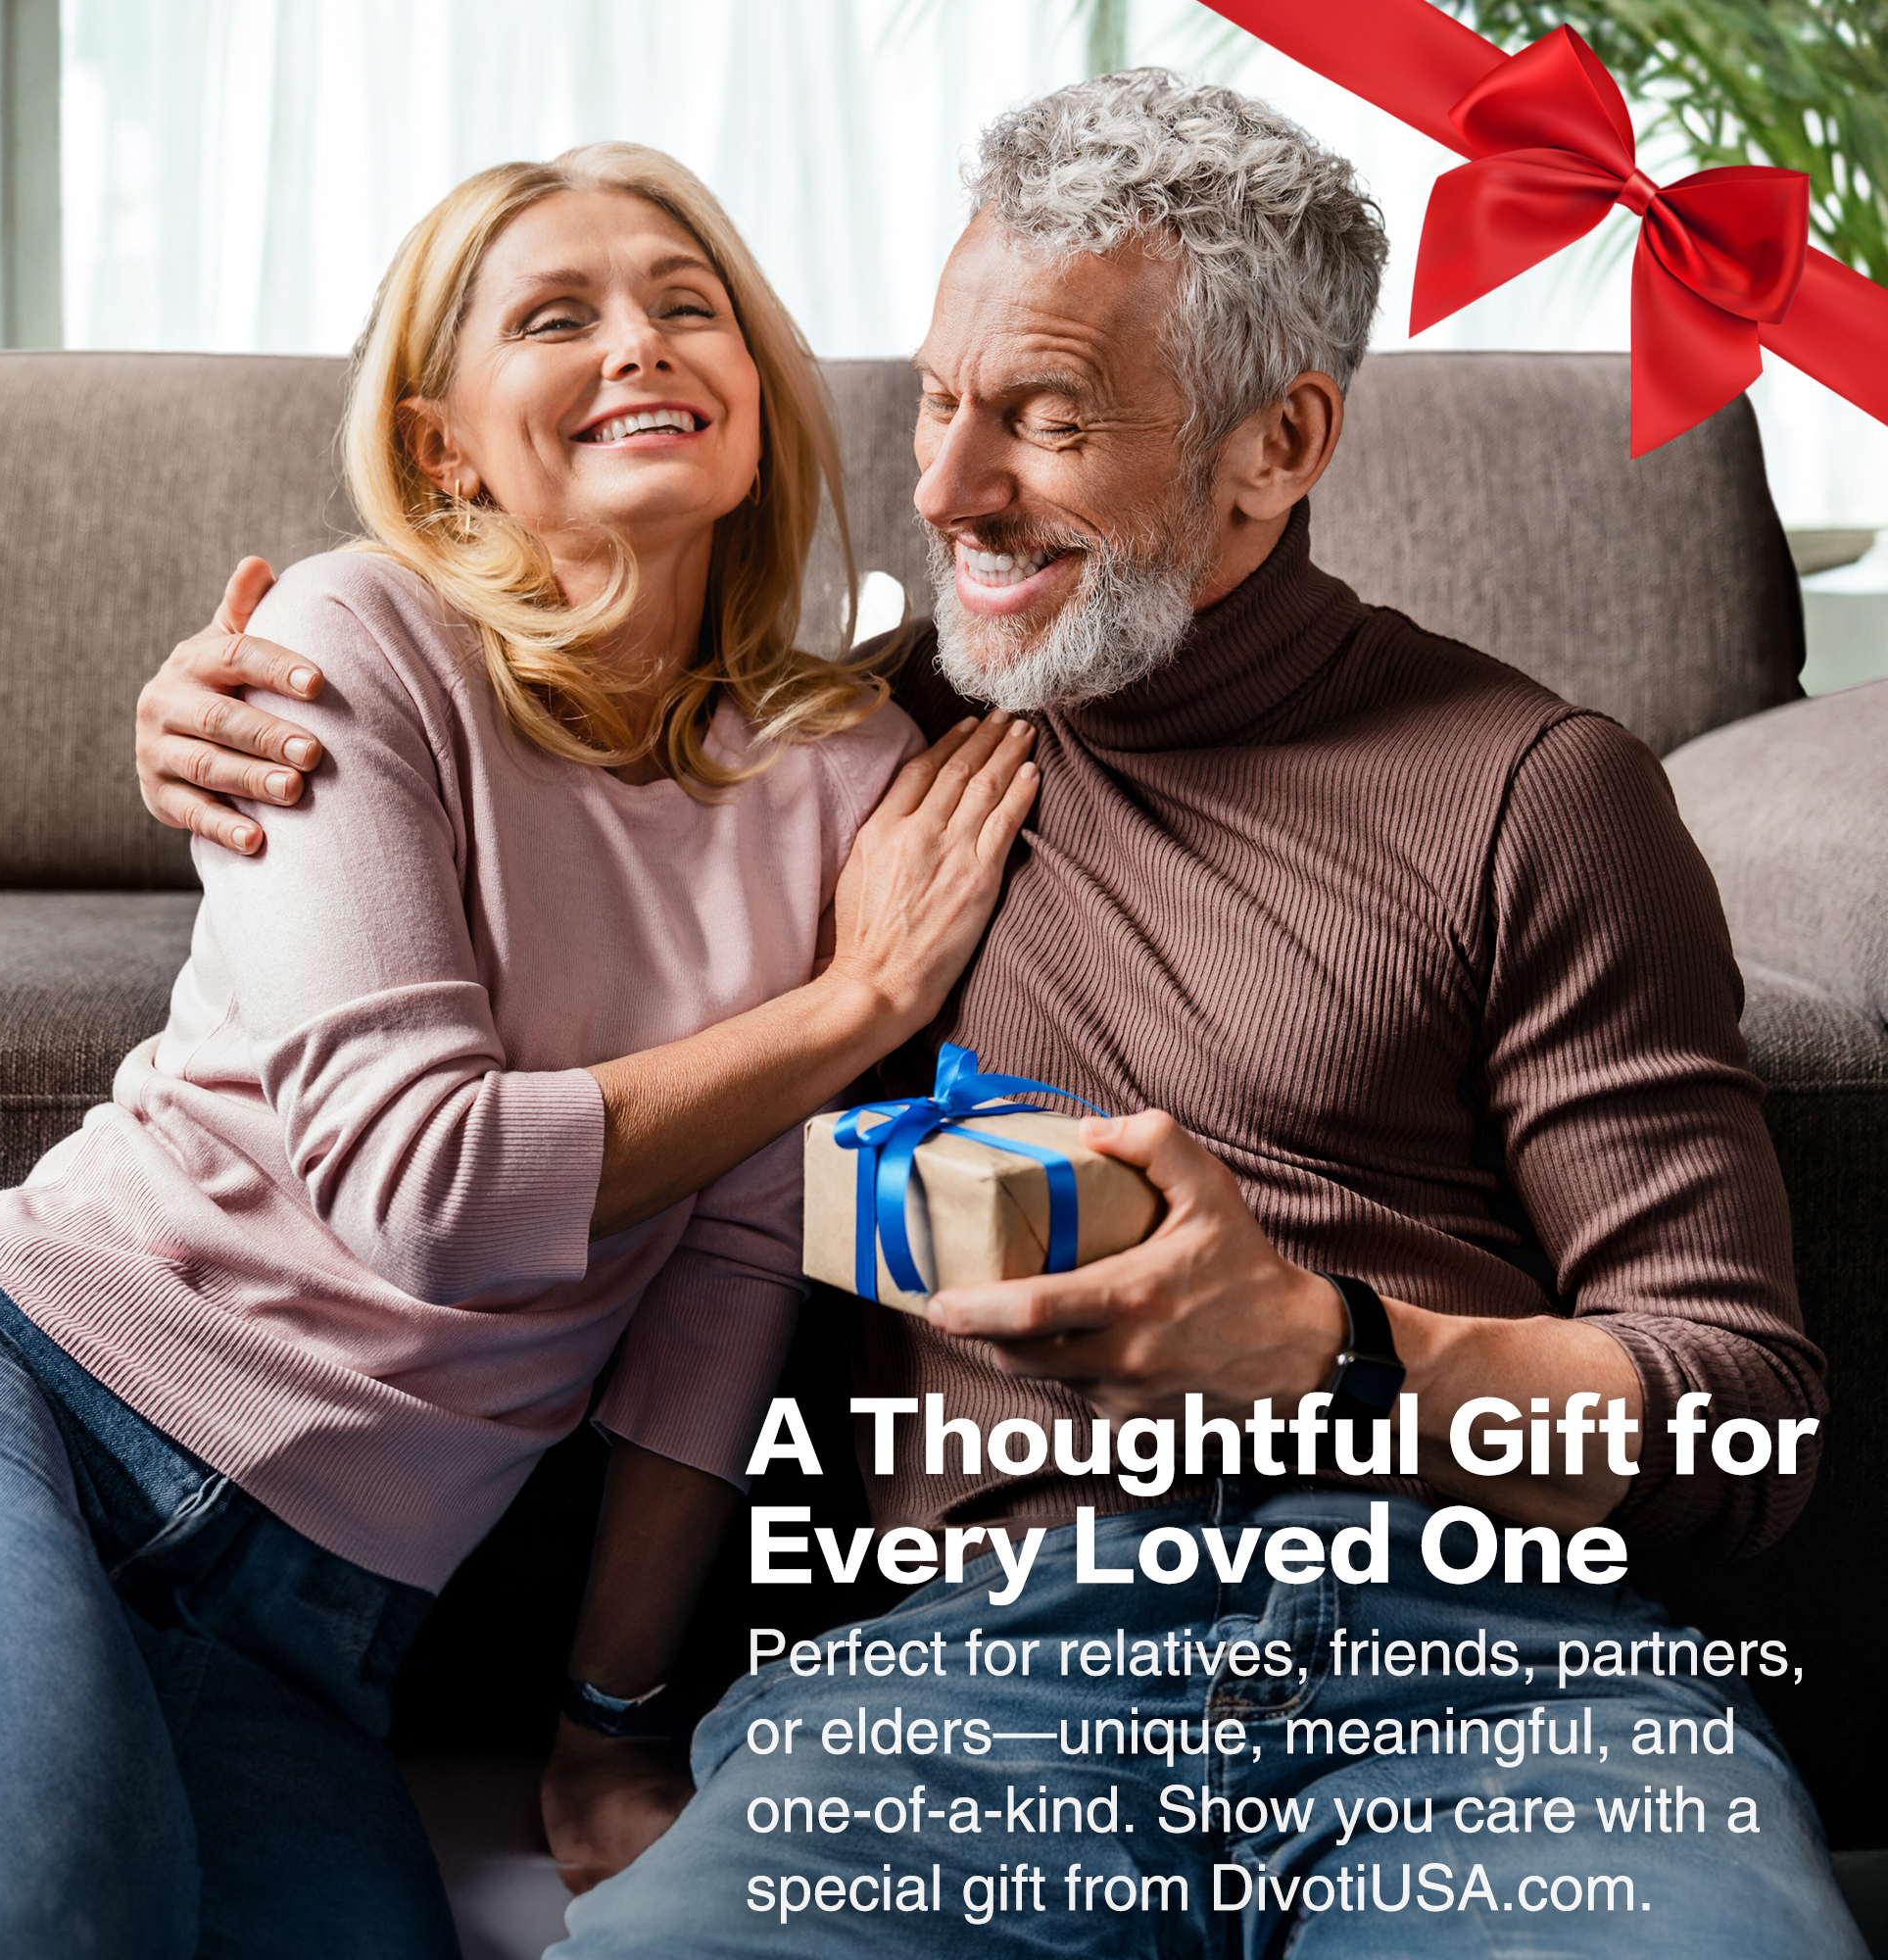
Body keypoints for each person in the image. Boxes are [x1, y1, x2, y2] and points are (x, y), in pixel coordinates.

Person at [133, 73, 1865, 1959]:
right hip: (963, 1692)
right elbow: (508, 730)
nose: (949, 492)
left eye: (1042, 421)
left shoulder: (1537, 789)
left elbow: (1742, 1422)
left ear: (1275, 446)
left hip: (1497, 1686)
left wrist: (1328, 1348)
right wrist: (226, 720)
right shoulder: (824, 766)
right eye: (938, 402)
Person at [0, 141, 1042, 1960]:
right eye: (558, 315)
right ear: (446, 441)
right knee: (42, 1906)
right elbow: (424, 1190)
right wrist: (850, 1007)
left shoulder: (848, 774)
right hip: (14, 1395)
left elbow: (733, 1269)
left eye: (691, 307)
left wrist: (607, 1727)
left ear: (756, 390)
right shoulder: (349, 642)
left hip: (321, 1628)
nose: (641, 343)